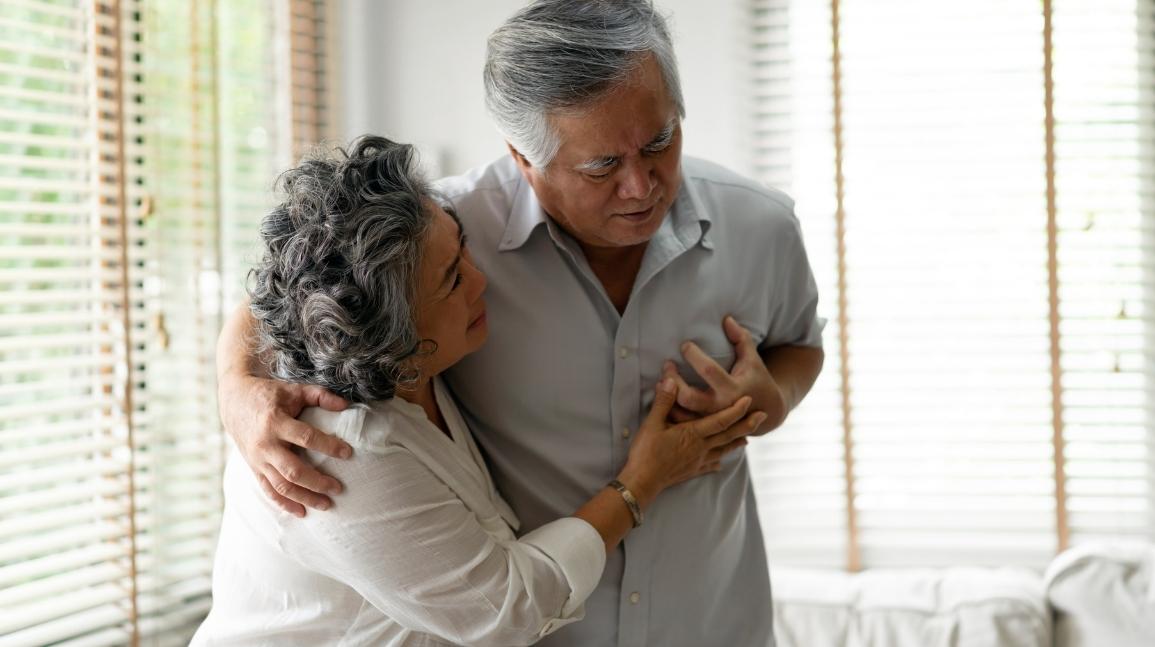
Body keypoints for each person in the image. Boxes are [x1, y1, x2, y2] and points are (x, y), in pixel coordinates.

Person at [216, 1, 825, 645]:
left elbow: (800, 349)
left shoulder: (763, 227)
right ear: (522, 157)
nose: (642, 185)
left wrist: (774, 398)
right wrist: (236, 389)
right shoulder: (440, 239)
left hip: (714, 619)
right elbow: (290, 297)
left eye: (660, 141)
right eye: (602, 166)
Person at [193, 136, 760, 646]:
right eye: (452, 281)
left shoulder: (400, 347)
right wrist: (642, 481)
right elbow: (509, 611)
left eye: (461, 248)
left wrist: (233, 379)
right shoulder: (339, 453)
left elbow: (304, 272)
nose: (480, 277)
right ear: (392, 338)